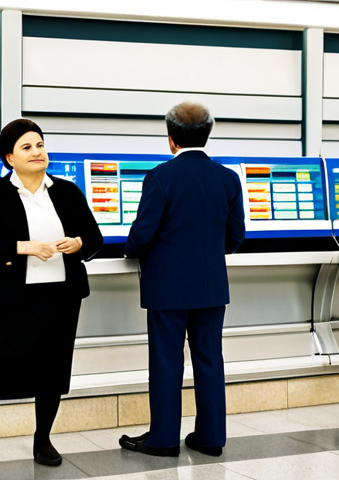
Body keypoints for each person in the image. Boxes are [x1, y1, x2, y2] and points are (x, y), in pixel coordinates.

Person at [0, 119, 103, 478]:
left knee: (52, 369)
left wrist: (78, 243)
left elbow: (94, 238)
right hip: (12, 299)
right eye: (28, 147)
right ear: (9, 158)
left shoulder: (67, 192)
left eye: (41, 145)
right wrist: (23, 247)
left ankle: (43, 440)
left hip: (61, 297)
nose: (38, 152)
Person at [118, 102, 246, 457]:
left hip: (167, 287)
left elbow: (143, 233)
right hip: (211, 286)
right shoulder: (227, 178)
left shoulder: (160, 177)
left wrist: (129, 250)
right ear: (207, 134)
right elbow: (236, 235)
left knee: (166, 362)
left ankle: (162, 439)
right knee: (209, 360)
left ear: (171, 139)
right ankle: (210, 438)